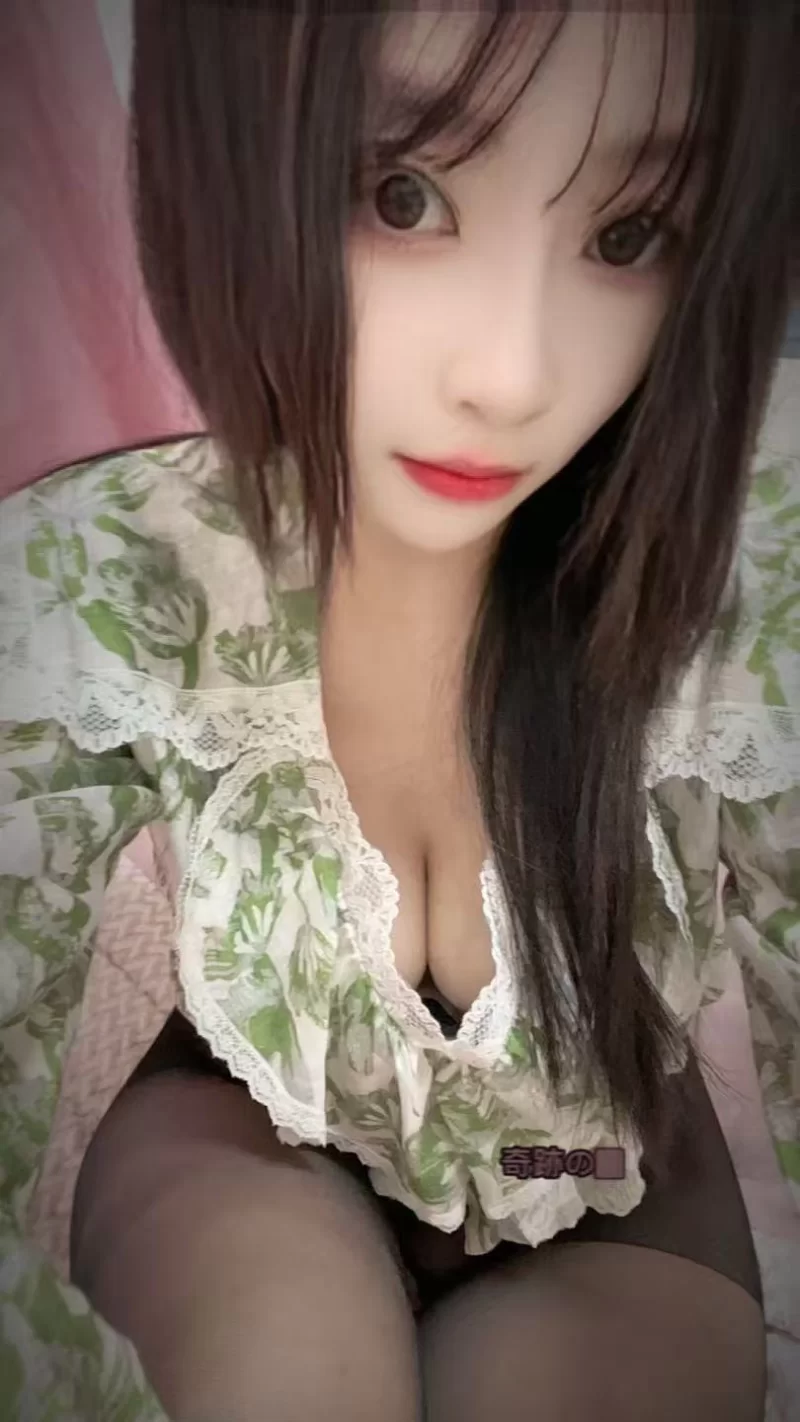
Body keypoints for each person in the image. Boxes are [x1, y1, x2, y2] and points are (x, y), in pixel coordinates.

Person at [1, 4, 798, 1419]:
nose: (513, 375)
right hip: (254, 1126)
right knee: (281, 1372)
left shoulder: (748, 578)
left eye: (631, 234)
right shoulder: (118, 571)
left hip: (599, 1166)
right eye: (404, 195)